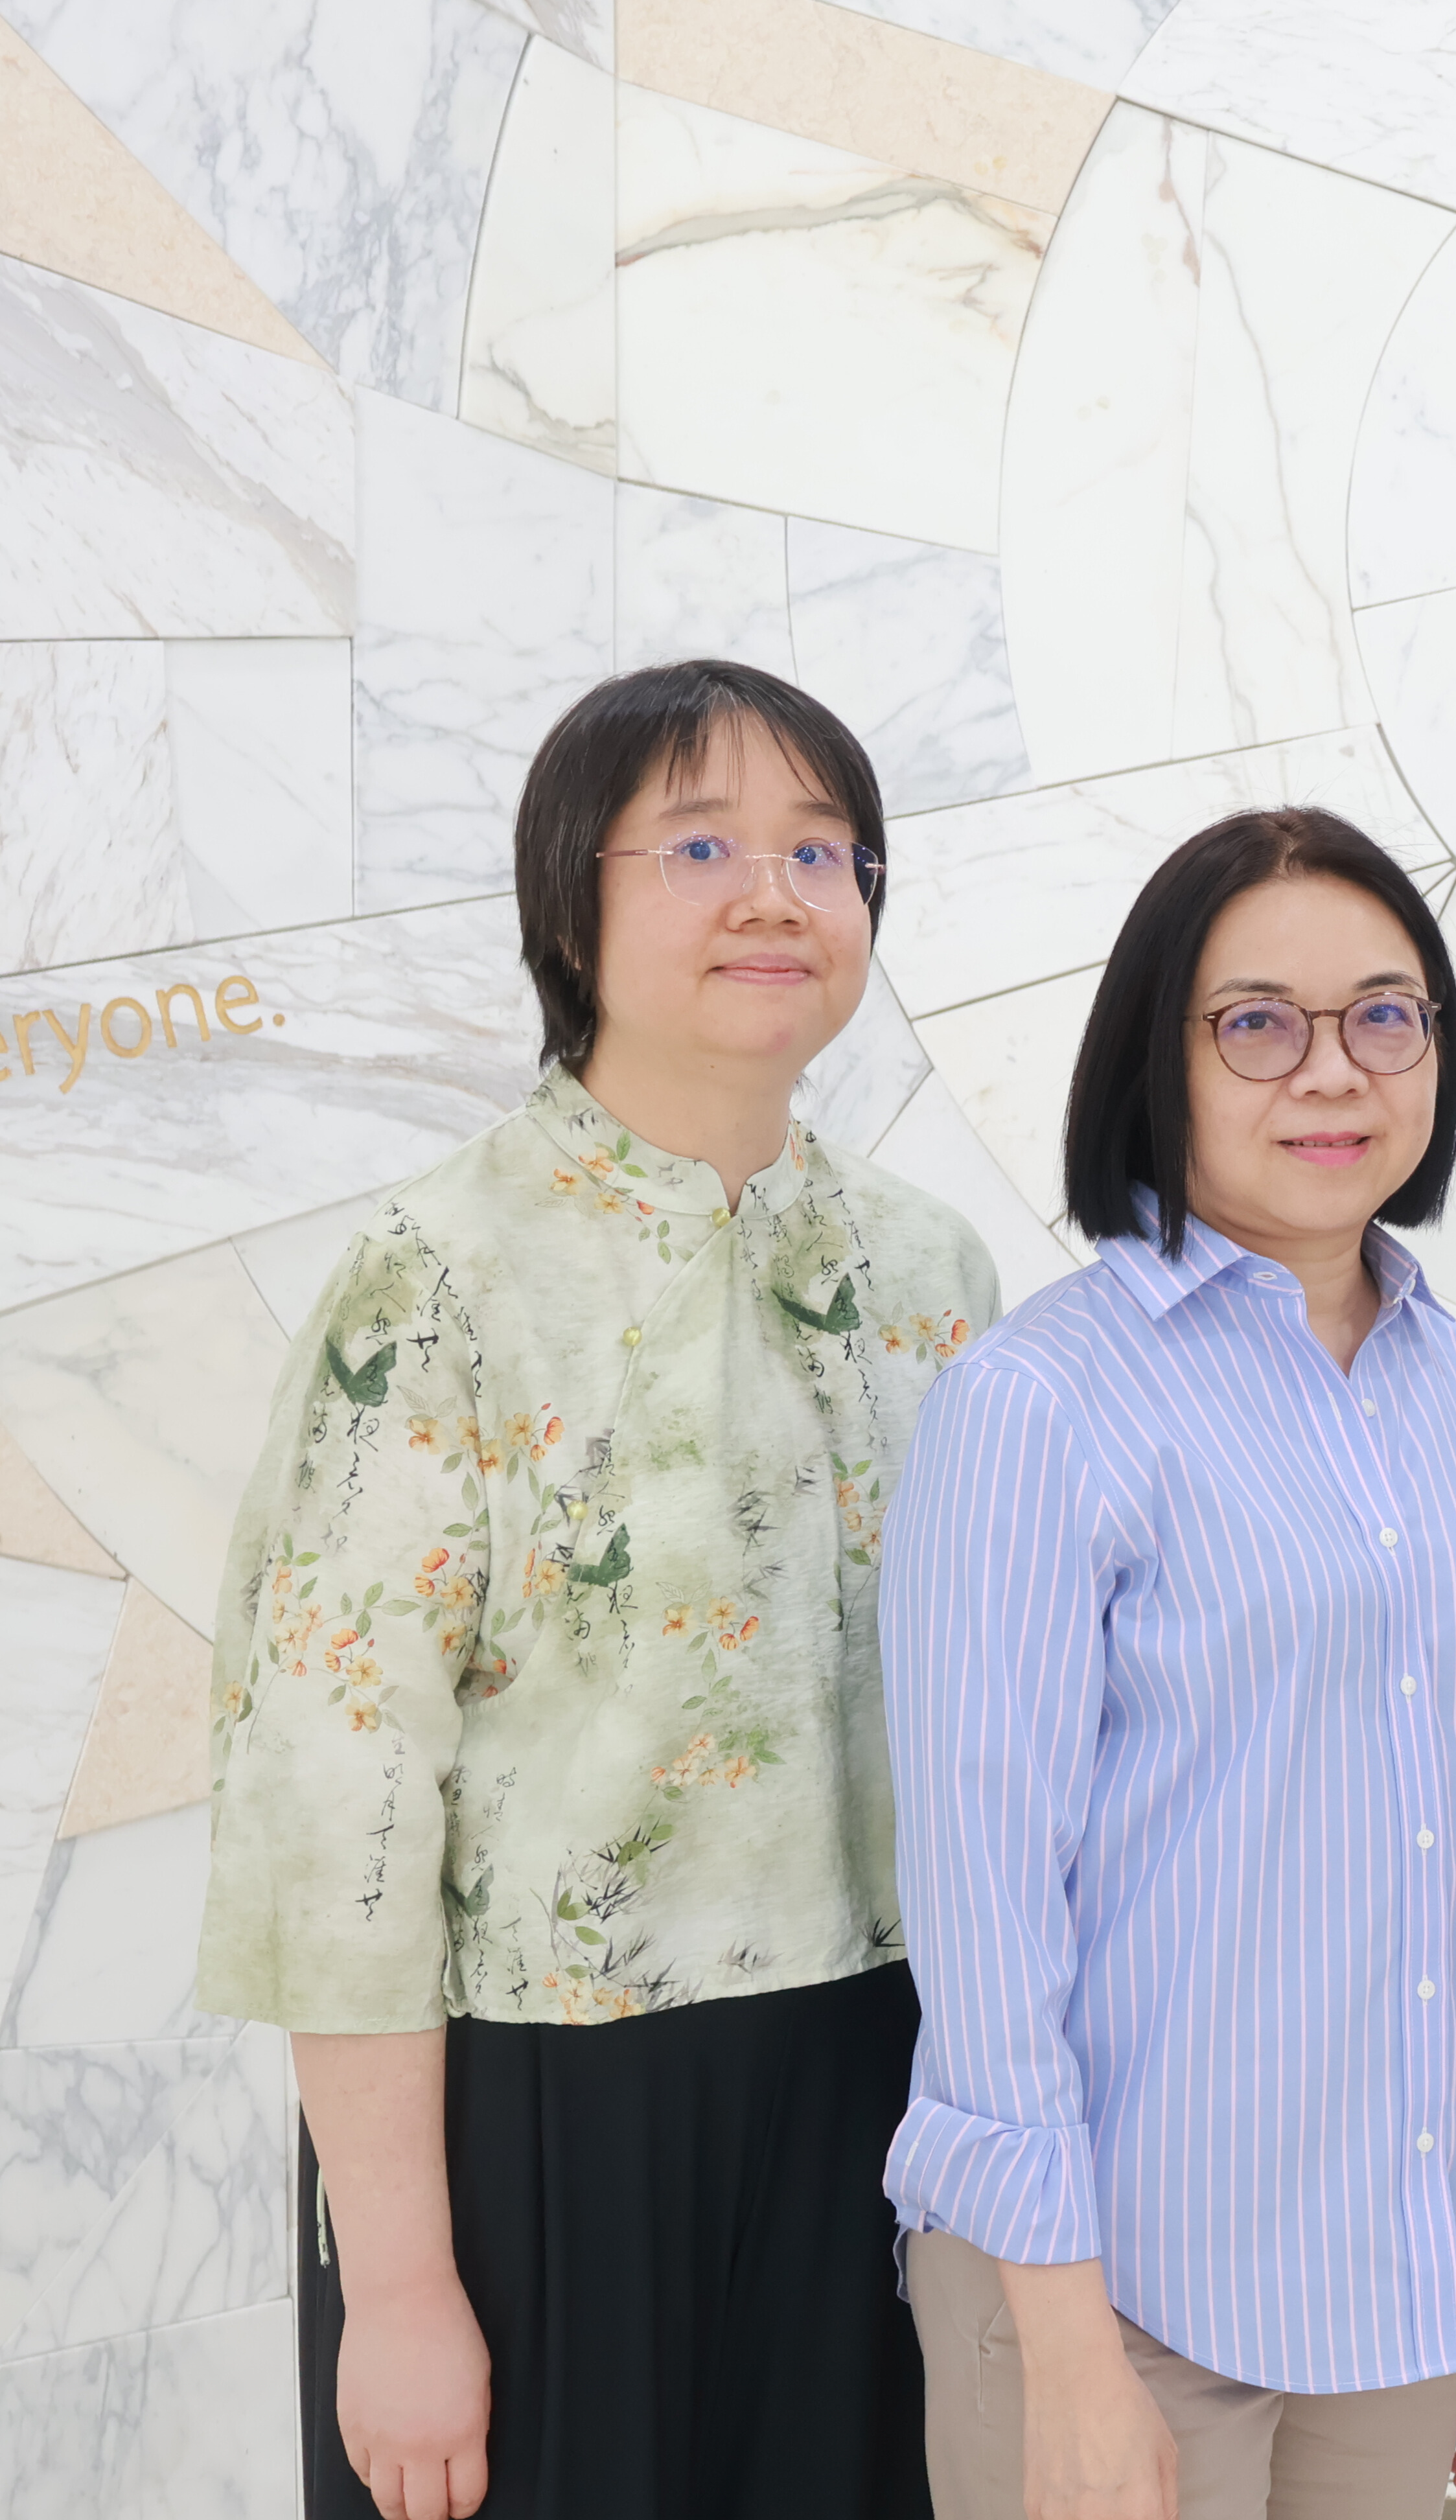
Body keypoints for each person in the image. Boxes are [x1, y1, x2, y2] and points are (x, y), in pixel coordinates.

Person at [198, 660, 999, 2520]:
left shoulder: (927, 1271)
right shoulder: (440, 1274)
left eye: (822, 850)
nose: (774, 895)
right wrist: (400, 2286)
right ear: (572, 904)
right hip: (538, 2110)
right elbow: (335, 1806)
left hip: (885, 2090)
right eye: (700, 845)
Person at [880, 808, 1456, 2520]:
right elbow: (984, 1901)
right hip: (1114, 2287)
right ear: (1160, 1058)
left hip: (1396, 2277)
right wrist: (1065, 2351)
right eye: (1258, 1022)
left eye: (1386, 1016)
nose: (1333, 1071)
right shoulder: (1036, 1403)